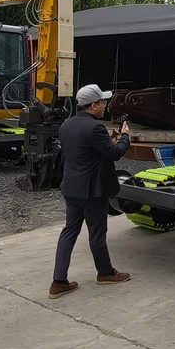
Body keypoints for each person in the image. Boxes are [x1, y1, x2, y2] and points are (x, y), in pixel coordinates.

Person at [48, 84, 132, 299]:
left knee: (69, 231)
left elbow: (83, 153)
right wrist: (124, 137)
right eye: (103, 102)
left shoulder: (66, 125)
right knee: (97, 233)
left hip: (71, 188)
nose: (105, 105)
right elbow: (114, 154)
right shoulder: (95, 128)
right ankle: (105, 273)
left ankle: (58, 282)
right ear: (94, 105)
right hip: (92, 191)